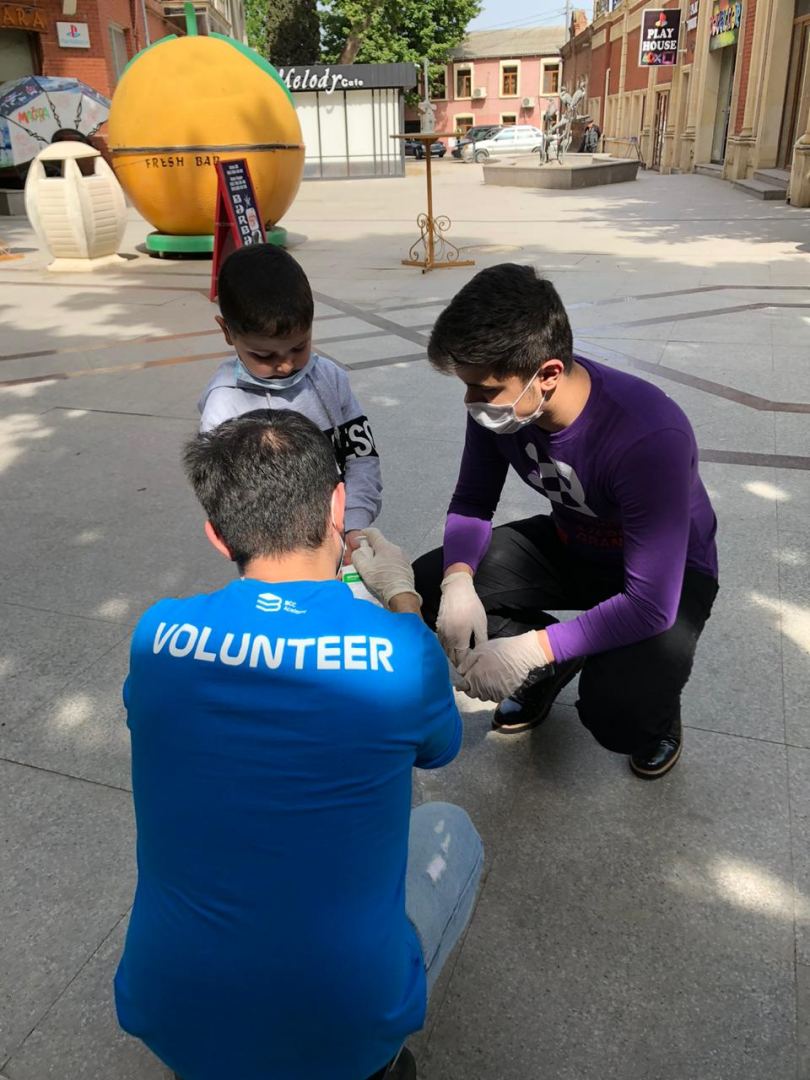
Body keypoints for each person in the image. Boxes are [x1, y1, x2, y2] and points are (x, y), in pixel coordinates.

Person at [115, 409, 483, 1080]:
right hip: (345, 1025)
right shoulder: (400, 653)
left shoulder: (157, 634)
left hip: (166, 1006)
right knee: (453, 830)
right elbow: (440, 747)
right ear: (338, 504)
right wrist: (402, 600)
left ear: (216, 534)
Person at [413, 264, 719, 780]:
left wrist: (531, 647)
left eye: (483, 389)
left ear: (548, 374)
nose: (471, 403)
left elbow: (649, 604)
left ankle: (656, 712)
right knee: (429, 583)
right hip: (576, 540)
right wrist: (458, 578)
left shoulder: (647, 435)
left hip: (667, 575)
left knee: (617, 713)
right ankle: (553, 667)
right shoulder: (504, 408)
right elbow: (472, 500)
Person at [198, 243, 382, 556]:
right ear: (227, 331)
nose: (285, 364)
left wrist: (354, 524)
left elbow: (361, 456)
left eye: (299, 347)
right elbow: (223, 496)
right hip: (272, 557)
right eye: (264, 355)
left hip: (344, 539)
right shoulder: (224, 405)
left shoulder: (331, 379)